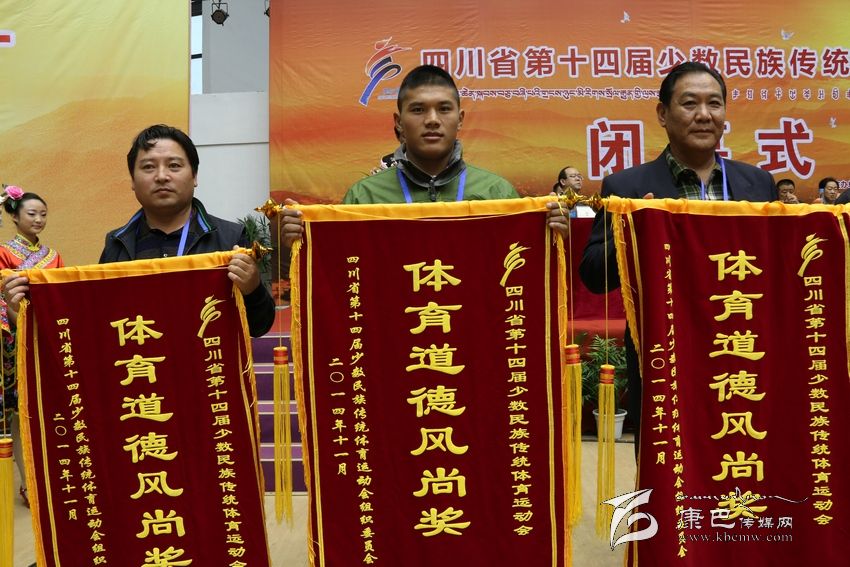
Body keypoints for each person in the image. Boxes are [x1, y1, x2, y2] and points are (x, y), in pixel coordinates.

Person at [579, 62, 777, 457]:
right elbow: (593, 274)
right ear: (662, 114)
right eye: (689, 103)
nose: (704, 115)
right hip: (665, 359)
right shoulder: (627, 186)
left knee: (743, 460)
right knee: (669, 467)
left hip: (743, 350)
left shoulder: (757, 184)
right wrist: (635, 234)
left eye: (714, 104)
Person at [3, 125, 275, 339]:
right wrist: (24, 313)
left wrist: (252, 289)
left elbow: (259, 326)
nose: (161, 176)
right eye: (148, 167)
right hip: (141, 379)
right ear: (133, 181)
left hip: (209, 382)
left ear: (194, 176)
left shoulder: (229, 237)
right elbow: (94, 326)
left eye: (174, 165)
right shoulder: (117, 243)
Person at [280, 65, 568, 243]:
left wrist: (556, 237)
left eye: (444, 109)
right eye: (418, 110)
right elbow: (338, 278)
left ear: (460, 120)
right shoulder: (363, 197)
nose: (432, 120)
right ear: (399, 122)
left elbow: (526, 276)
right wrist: (297, 241)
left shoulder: (498, 193)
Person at [0, 186, 64, 508]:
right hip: (13, 342)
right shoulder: (3, 253)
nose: (39, 219)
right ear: (14, 216)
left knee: (46, 409)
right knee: (17, 412)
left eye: (43, 214)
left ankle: (49, 479)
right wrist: (19, 319)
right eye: (31, 214)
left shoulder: (54, 256)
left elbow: (62, 295)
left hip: (47, 336)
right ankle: (28, 483)